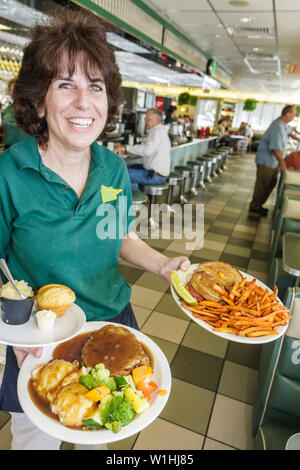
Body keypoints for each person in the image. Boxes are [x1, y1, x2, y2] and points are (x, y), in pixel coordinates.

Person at [0, 8, 190, 450]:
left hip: (112, 323)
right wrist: (15, 336)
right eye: (66, 84)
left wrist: (164, 264)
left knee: (100, 431)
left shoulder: (112, 169)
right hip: (40, 336)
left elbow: (119, 233)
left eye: (96, 86)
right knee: (35, 438)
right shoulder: (9, 174)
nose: (84, 102)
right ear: (38, 100)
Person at [249, 105, 300, 215]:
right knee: (263, 184)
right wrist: (282, 163)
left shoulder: (282, 124)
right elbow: (276, 148)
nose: (294, 116)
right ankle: (255, 206)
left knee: (271, 183)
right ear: (287, 114)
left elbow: (290, 132)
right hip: (267, 161)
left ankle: (258, 204)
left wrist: (298, 138)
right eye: (294, 114)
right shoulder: (277, 127)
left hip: (272, 161)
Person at [115, 108, 171, 191]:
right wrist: (126, 148)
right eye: (145, 118)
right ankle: (140, 192)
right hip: (155, 172)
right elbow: (145, 147)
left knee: (120, 175)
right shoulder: (158, 131)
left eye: (149, 119)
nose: (145, 121)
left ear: (158, 120)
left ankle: (142, 197)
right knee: (131, 166)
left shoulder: (157, 132)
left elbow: (147, 150)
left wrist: (126, 148)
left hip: (156, 176)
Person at [1, 78, 26, 149]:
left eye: (15, 90)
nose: (12, 93)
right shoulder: (6, 110)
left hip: (24, 149)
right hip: (9, 149)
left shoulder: (30, 110)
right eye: (10, 90)